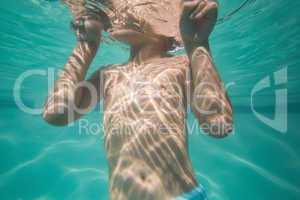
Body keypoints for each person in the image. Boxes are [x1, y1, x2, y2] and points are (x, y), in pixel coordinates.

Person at [43, 0, 233, 199]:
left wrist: (197, 44)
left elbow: (218, 123)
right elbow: (56, 114)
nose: (117, 12)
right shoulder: (107, 75)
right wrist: (86, 45)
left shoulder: (181, 66)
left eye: (130, 5)